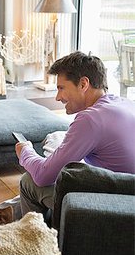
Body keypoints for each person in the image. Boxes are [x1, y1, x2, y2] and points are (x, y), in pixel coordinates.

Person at [16, 51, 135, 219]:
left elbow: (43, 176)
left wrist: (25, 152)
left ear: (83, 84)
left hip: (115, 203)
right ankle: (4, 216)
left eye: (61, 88)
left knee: (30, 182)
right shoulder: (125, 103)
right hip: (127, 191)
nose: (58, 97)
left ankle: (36, 240)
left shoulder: (90, 119)